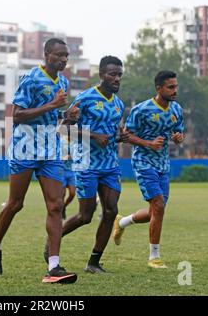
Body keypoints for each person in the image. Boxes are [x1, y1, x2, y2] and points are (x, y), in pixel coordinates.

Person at [0, 38, 79, 284]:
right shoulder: (31, 79)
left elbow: (51, 115)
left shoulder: (63, 81)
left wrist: (66, 116)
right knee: (16, 204)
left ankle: (54, 267)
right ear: (46, 54)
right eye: (59, 55)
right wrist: (53, 105)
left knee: (56, 205)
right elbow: (16, 116)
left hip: (50, 151)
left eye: (66, 55)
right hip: (25, 148)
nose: (64, 59)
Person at [44, 56, 126, 274]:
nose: (117, 78)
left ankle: (93, 262)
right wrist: (92, 135)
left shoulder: (119, 104)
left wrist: (121, 136)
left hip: (110, 164)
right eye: (112, 74)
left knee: (111, 211)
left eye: (119, 74)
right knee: (85, 216)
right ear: (101, 75)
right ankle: (55, 237)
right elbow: (62, 129)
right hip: (86, 163)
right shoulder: (85, 98)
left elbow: (112, 134)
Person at [112, 70, 185, 269]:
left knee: (156, 210)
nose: (174, 90)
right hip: (143, 162)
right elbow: (127, 135)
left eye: (176, 86)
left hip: (163, 164)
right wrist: (148, 143)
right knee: (159, 206)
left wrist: (179, 138)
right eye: (171, 87)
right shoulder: (141, 109)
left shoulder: (176, 109)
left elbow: (179, 132)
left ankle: (122, 222)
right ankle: (154, 257)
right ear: (159, 88)